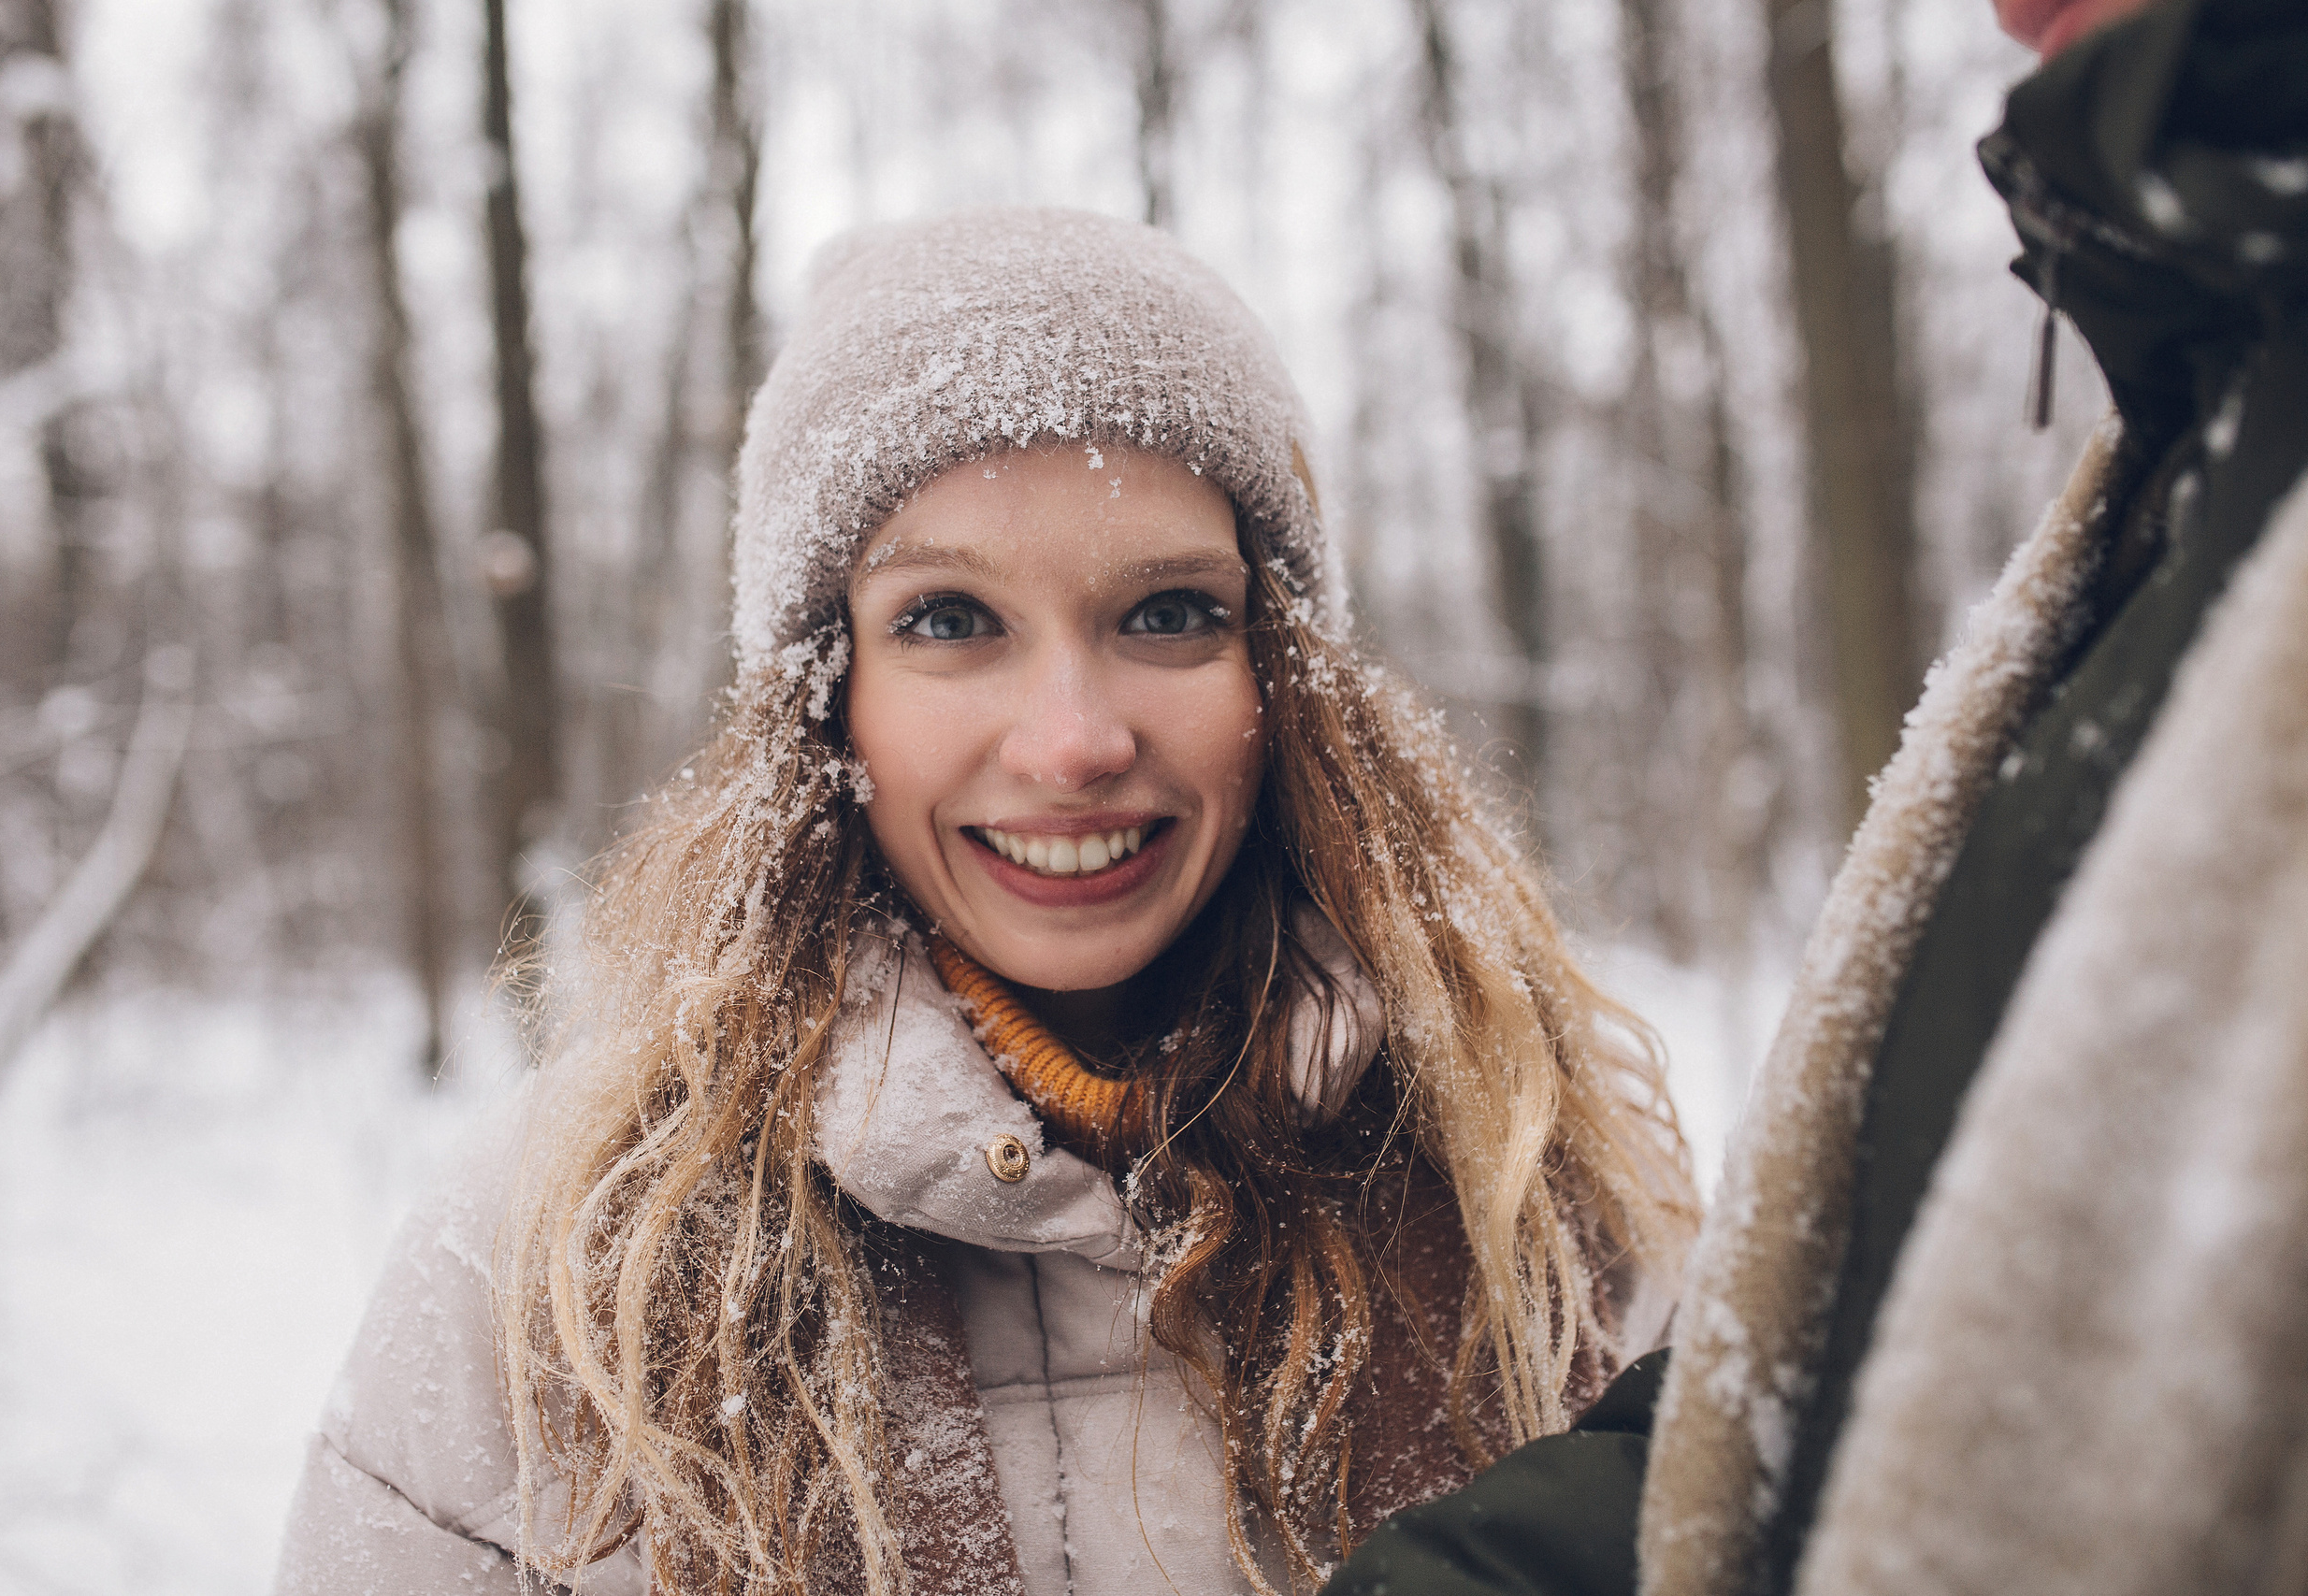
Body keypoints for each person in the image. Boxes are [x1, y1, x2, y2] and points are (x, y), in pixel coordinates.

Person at [273, 208, 1699, 1596]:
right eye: (949, 621)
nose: (1072, 741)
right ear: (829, 705)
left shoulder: (1537, 1188)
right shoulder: (561, 1270)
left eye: (1169, 614)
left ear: (1282, 682)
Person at [1321, 0, 2308, 1591]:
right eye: (952, 624)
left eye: (1171, 614)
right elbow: (1864, 1372)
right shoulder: (2197, 456)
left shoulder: (1511, 1176)